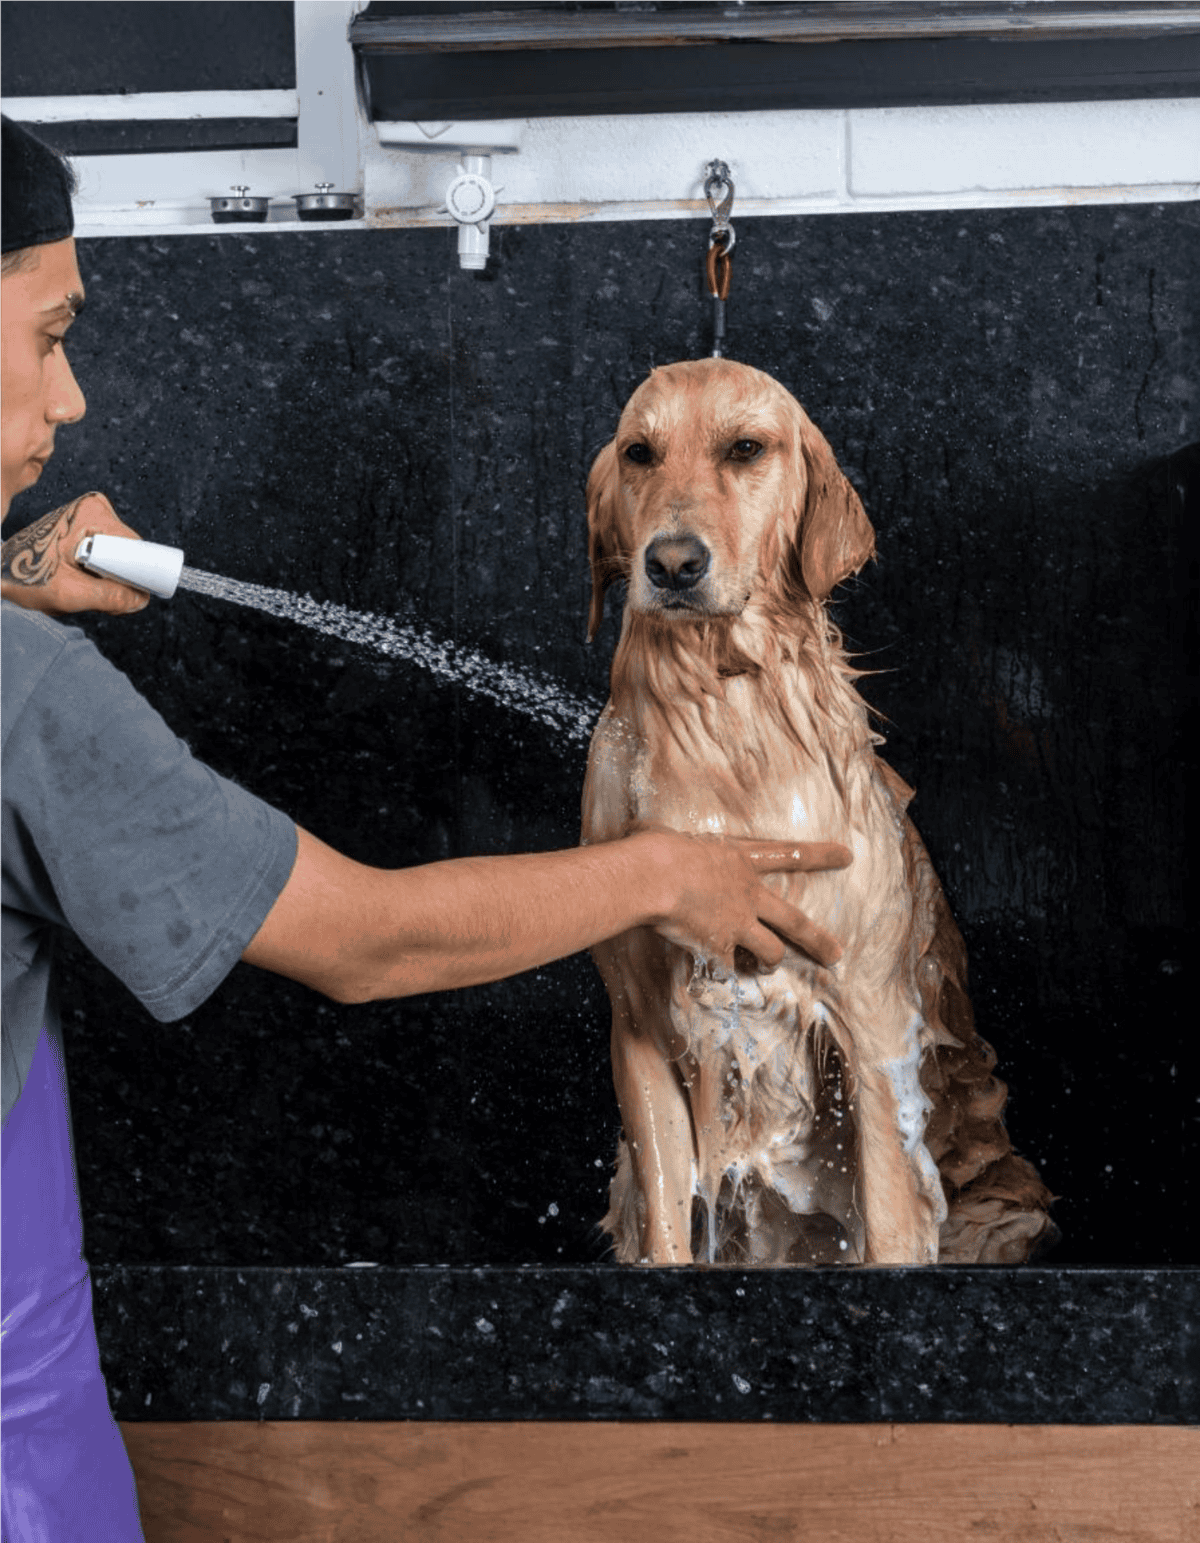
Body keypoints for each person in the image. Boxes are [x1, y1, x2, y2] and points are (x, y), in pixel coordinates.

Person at [0, 116, 851, 1541]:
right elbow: (366, 938)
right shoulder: (26, 701)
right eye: (46, 333)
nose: (71, 397)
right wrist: (660, 873)